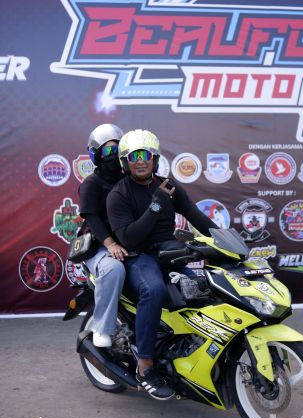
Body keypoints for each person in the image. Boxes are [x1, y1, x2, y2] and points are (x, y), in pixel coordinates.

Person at [107, 129, 216, 400]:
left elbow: (195, 215)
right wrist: (156, 204)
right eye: (134, 156)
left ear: (154, 158)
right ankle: (145, 366)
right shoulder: (118, 194)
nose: (140, 161)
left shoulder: (169, 186)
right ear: (125, 161)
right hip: (139, 257)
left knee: (202, 288)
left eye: (145, 155)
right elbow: (128, 237)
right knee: (154, 290)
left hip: (170, 253)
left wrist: (224, 239)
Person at [78, 123, 128, 348]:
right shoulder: (92, 183)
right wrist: (110, 244)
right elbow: (91, 218)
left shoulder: (129, 179)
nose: (113, 155)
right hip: (99, 246)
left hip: (128, 243)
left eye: (117, 149)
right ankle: (101, 328)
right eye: (108, 150)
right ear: (96, 154)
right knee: (113, 269)